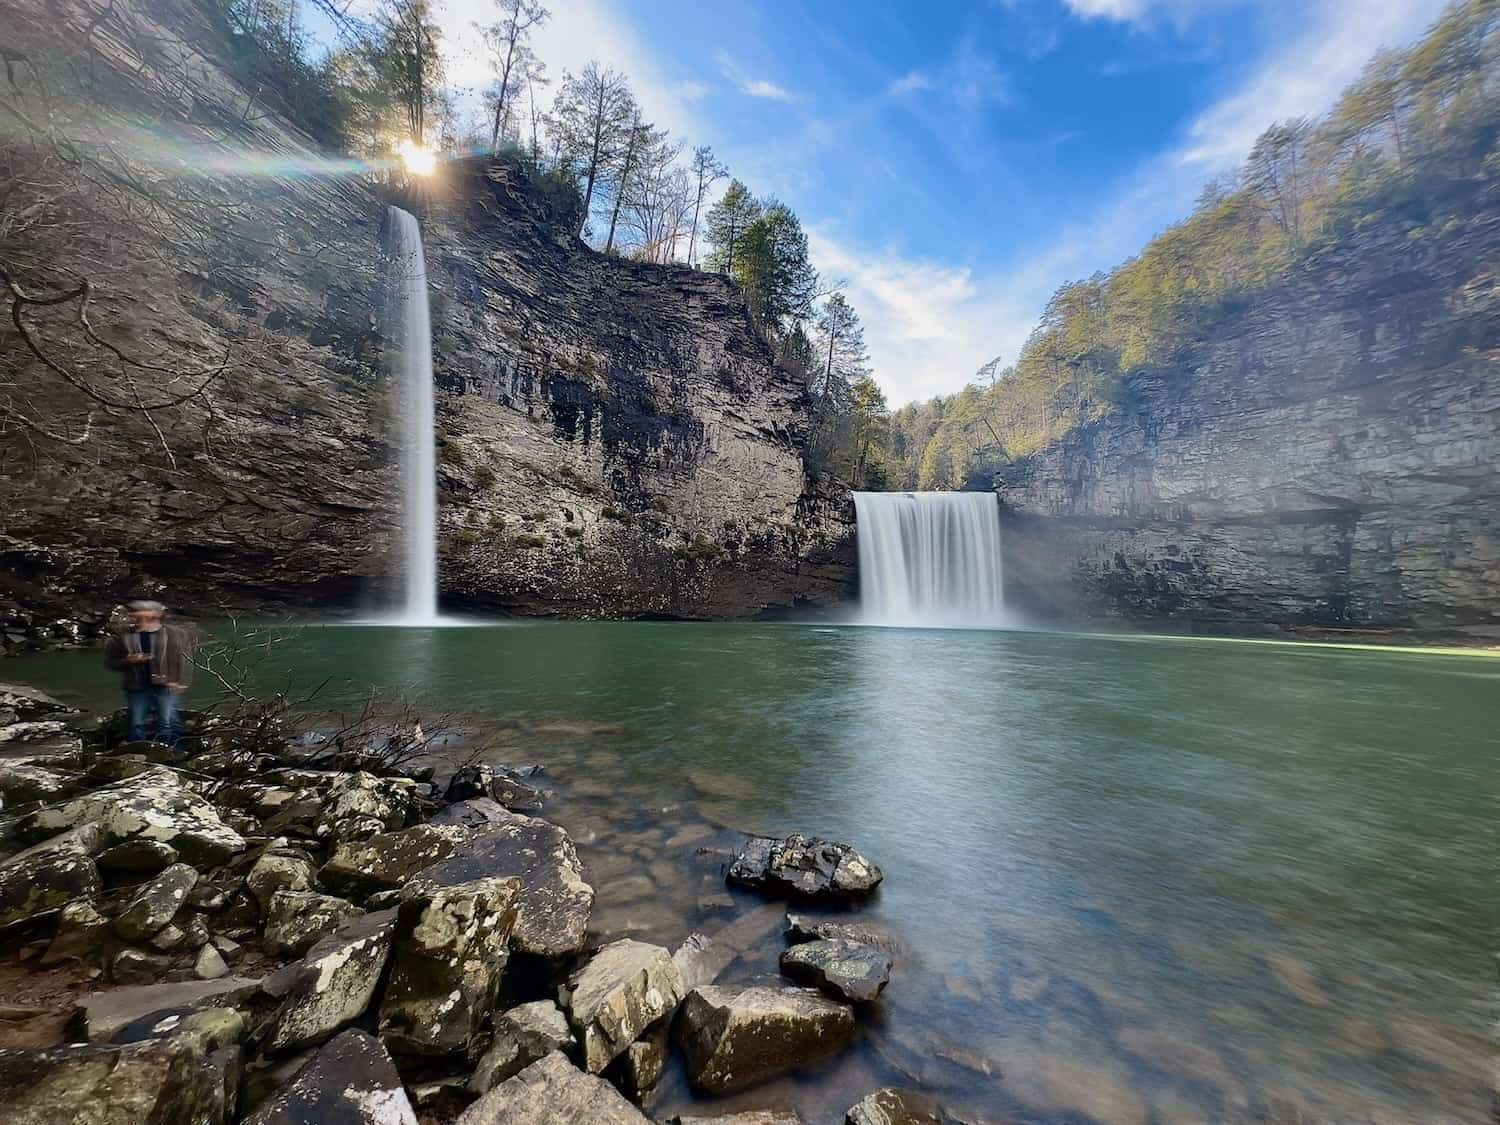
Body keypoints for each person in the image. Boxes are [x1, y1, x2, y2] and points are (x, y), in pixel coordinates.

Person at [105, 599, 195, 746]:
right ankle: (137, 751)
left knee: (167, 721)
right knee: (136, 722)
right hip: (136, 685)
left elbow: (185, 660)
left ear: (156, 614)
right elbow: (111, 663)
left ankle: (172, 750)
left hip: (166, 684)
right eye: (136, 613)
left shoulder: (175, 634)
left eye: (142, 612)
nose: (137, 616)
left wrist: (182, 681)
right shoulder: (123, 636)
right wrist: (129, 661)